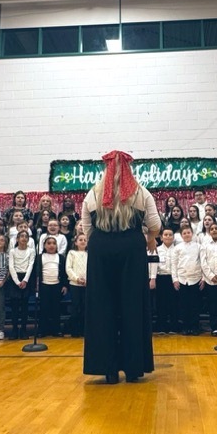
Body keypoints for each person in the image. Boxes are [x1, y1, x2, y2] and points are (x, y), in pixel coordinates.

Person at [80, 150, 161, 384]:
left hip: (101, 249)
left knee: (102, 307)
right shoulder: (141, 192)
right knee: (133, 305)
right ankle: (134, 367)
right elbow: (154, 225)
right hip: (131, 249)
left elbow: (87, 228)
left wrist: (102, 243)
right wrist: (149, 238)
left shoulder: (93, 193)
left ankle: (108, 369)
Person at [171, 225, 203, 336]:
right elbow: (173, 264)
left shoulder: (199, 246)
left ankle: (195, 327)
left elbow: (203, 263)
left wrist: (203, 278)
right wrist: (175, 279)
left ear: (192, 233)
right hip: (182, 279)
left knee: (195, 305)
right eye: (184, 233)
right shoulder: (177, 248)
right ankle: (185, 327)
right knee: (183, 305)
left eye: (188, 232)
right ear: (181, 235)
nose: (187, 235)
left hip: (196, 279)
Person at [36, 235, 68, 337]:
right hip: (44, 285)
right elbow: (36, 273)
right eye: (48, 243)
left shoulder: (61, 257)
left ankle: (56, 329)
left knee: (56, 308)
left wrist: (64, 285)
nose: (51, 245)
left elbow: (64, 272)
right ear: (44, 245)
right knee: (44, 308)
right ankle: (42, 330)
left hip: (56, 285)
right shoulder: (39, 257)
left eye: (54, 243)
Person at [7, 230, 36, 339]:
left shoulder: (31, 251)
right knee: (14, 307)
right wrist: (17, 282)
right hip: (15, 279)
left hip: (26, 278)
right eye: (21, 236)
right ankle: (14, 330)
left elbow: (30, 265)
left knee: (25, 307)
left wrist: (25, 280)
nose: (24, 238)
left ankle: (24, 330)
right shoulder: (12, 251)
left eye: (26, 236)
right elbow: (11, 266)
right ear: (17, 239)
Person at [66, 233, 88, 338]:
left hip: (87, 285)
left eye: (85, 240)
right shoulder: (72, 253)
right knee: (76, 307)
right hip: (75, 284)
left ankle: (84, 330)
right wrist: (77, 279)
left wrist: (88, 280)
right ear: (76, 242)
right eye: (80, 240)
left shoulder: (90, 254)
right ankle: (75, 330)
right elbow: (68, 268)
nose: (83, 241)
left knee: (85, 308)